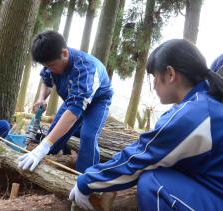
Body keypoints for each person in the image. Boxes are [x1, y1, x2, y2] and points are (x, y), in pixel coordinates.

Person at [69, 39, 223, 210]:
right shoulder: (205, 101)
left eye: (154, 77)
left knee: (153, 182)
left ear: (170, 74)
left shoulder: (194, 113)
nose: (154, 86)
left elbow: (141, 157)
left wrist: (86, 182)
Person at [18, 31, 114, 173]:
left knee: (88, 136)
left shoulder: (85, 69)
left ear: (64, 53)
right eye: (47, 66)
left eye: (52, 66)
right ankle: (47, 165)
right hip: (74, 99)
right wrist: (41, 98)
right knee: (54, 136)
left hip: (97, 102)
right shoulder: (52, 61)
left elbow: (73, 113)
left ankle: (85, 179)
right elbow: (47, 82)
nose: (50, 70)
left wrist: (42, 148)